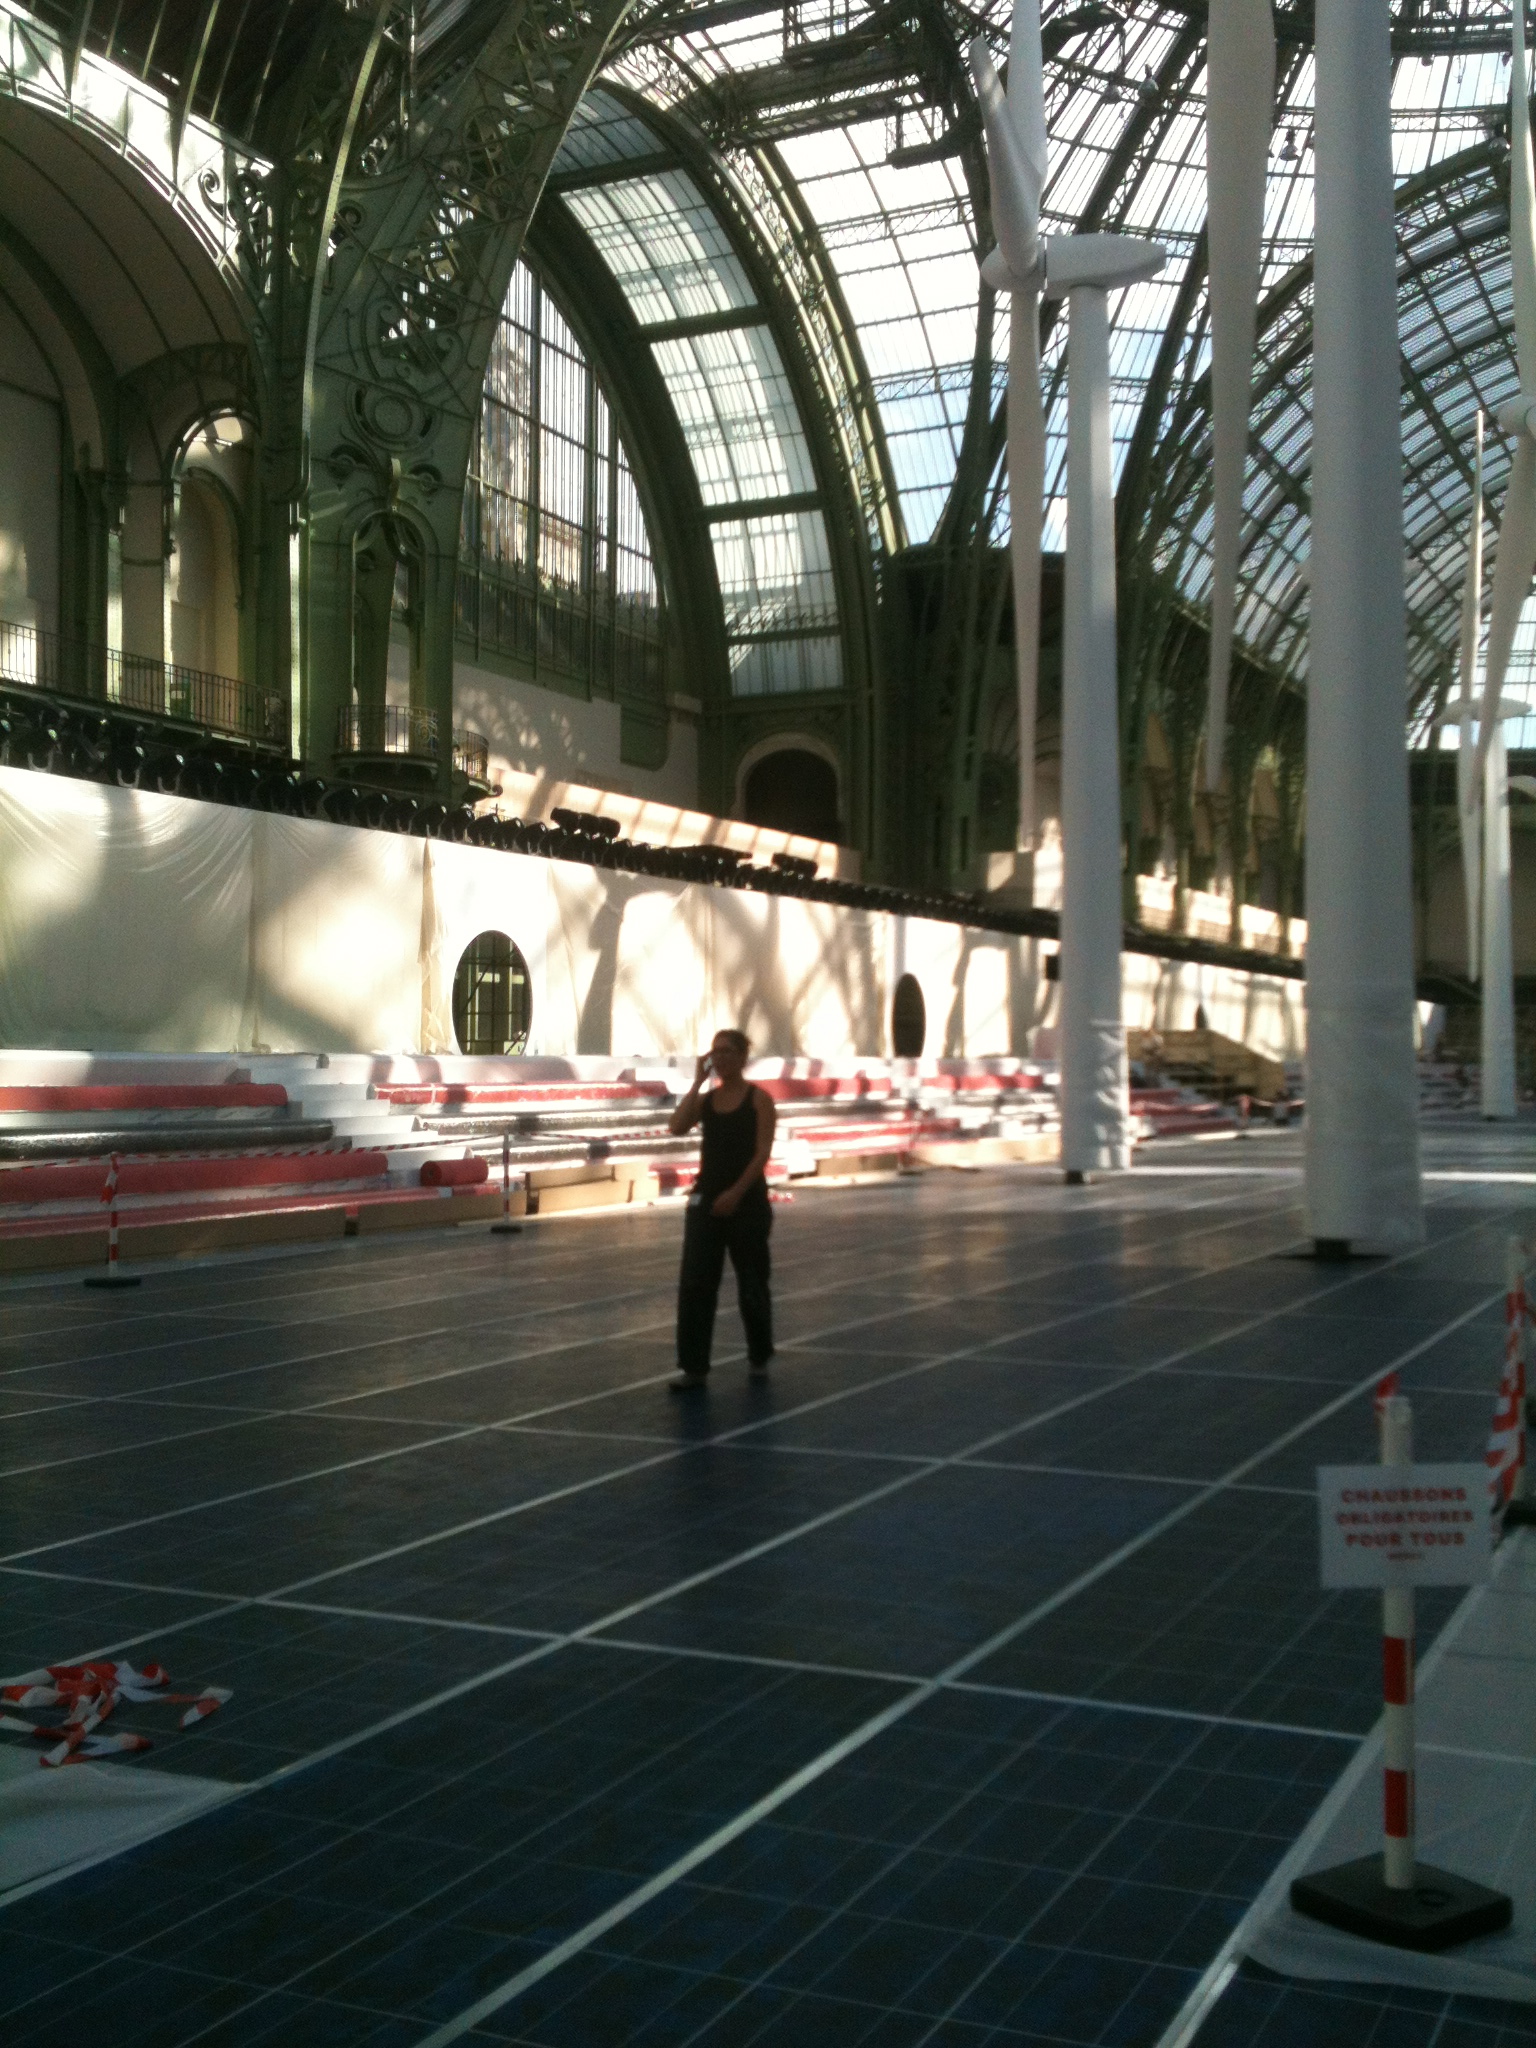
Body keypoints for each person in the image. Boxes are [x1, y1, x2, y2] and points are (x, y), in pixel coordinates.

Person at [667, 1029, 777, 1391]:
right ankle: (693, 1366)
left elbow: (762, 1153)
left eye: (728, 1052)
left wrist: (736, 1193)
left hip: (747, 1203)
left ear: (743, 1057)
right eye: (716, 1052)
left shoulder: (759, 1100)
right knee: (696, 1284)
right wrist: (697, 1082)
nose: (721, 1058)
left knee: (752, 1281)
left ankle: (759, 1354)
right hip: (707, 1200)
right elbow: (676, 1127)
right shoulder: (706, 1100)